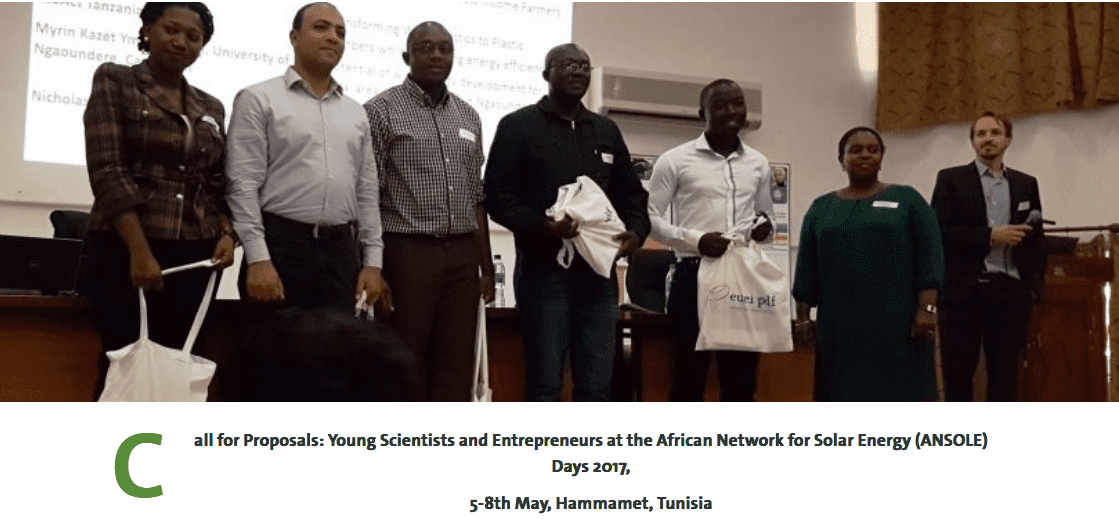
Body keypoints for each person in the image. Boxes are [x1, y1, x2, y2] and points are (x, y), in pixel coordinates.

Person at [83, 2, 233, 400]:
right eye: (171, 29)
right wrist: (139, 251)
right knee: (126, 367)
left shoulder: (211, 106)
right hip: (125, 247)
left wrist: (227, 232)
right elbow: (107, 168)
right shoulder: (115, 80)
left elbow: (217, 179)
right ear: (148, 30)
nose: (181, 41)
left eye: (193, 36)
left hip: (195, 254)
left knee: (176, 371)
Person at [484, 43, 650, 401]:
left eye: (584, 66)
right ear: (547, 74)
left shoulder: (605, 130)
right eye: (567, 65)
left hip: (599, 278)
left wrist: (636, 233)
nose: (577, 71)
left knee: (597, 385)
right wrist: (543, 226)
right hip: (544, 274)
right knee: (546, 382)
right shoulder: (518, 126)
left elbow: (632, 194)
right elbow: (497, 197)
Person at [226, 2, 387, 313]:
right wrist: (258, 258)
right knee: (275, 342)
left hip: (341, 251)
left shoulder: (355, 112)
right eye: (320, 27)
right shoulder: (258, 98)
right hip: (281, 246)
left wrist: (373, 263)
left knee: (336, 343)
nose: (333, 37)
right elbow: (242, 185)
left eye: (340, 32)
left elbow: (366, 191)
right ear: (294, 37)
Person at [362, 21, 494, 401]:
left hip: (462, 257)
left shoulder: (469, 116)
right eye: (425, 47)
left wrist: (485, 267)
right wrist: (372, 266)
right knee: (402, 360)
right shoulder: (380, 111)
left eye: (445, 48)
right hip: (407, 253)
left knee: (456, 365)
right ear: (407, 56)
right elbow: (368, 196)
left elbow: (476, 197)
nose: (436, 55)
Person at [792, 127, 944, 402]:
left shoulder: (907, 199)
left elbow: (930, 254)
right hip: (839, 325)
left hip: (899, 323)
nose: (865, 155)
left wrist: (928, 307)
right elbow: (806, 265)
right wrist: (802, 316)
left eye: (873, 150)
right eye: (855, 150)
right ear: (841, 159)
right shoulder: (821, 207)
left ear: (882, 158)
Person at [647, 79, 774, 402]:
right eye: (720, 106)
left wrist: (764, 228)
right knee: (689, 379)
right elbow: (650, 218)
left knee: (741, 382)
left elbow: (766, 219)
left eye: (738, 103)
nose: (732, 111)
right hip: (693, 274)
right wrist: (695, 240)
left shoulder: (759, 163)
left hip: (742, 276)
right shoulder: (674, 160)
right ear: (701, 113)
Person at [931, 111, 1046, 402]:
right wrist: (988, 235)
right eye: (980, 134)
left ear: (1007, 139)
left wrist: (1034, 287)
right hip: (962, 292)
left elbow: (1036, 237)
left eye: (995, 133)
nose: (987, 139)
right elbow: (939, 231)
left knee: (1005, 378)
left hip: (1010, 291)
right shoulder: (951, 179)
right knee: (958, 376)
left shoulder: (1026, 183)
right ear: (972, 141)